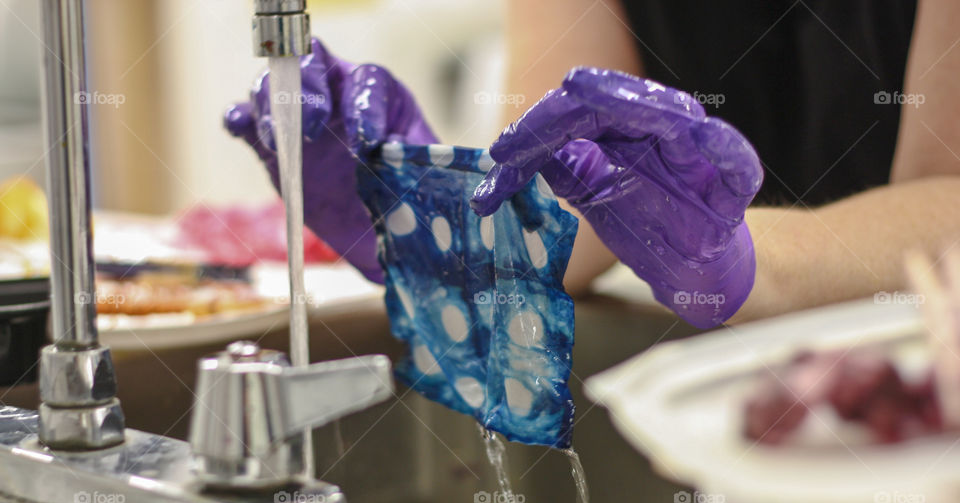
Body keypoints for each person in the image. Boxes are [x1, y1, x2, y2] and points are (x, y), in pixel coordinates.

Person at [227, 0, 960, 328]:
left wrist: (737, 257)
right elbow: (559, 185)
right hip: (708, 408)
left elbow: (946, 202)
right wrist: (436, 221)